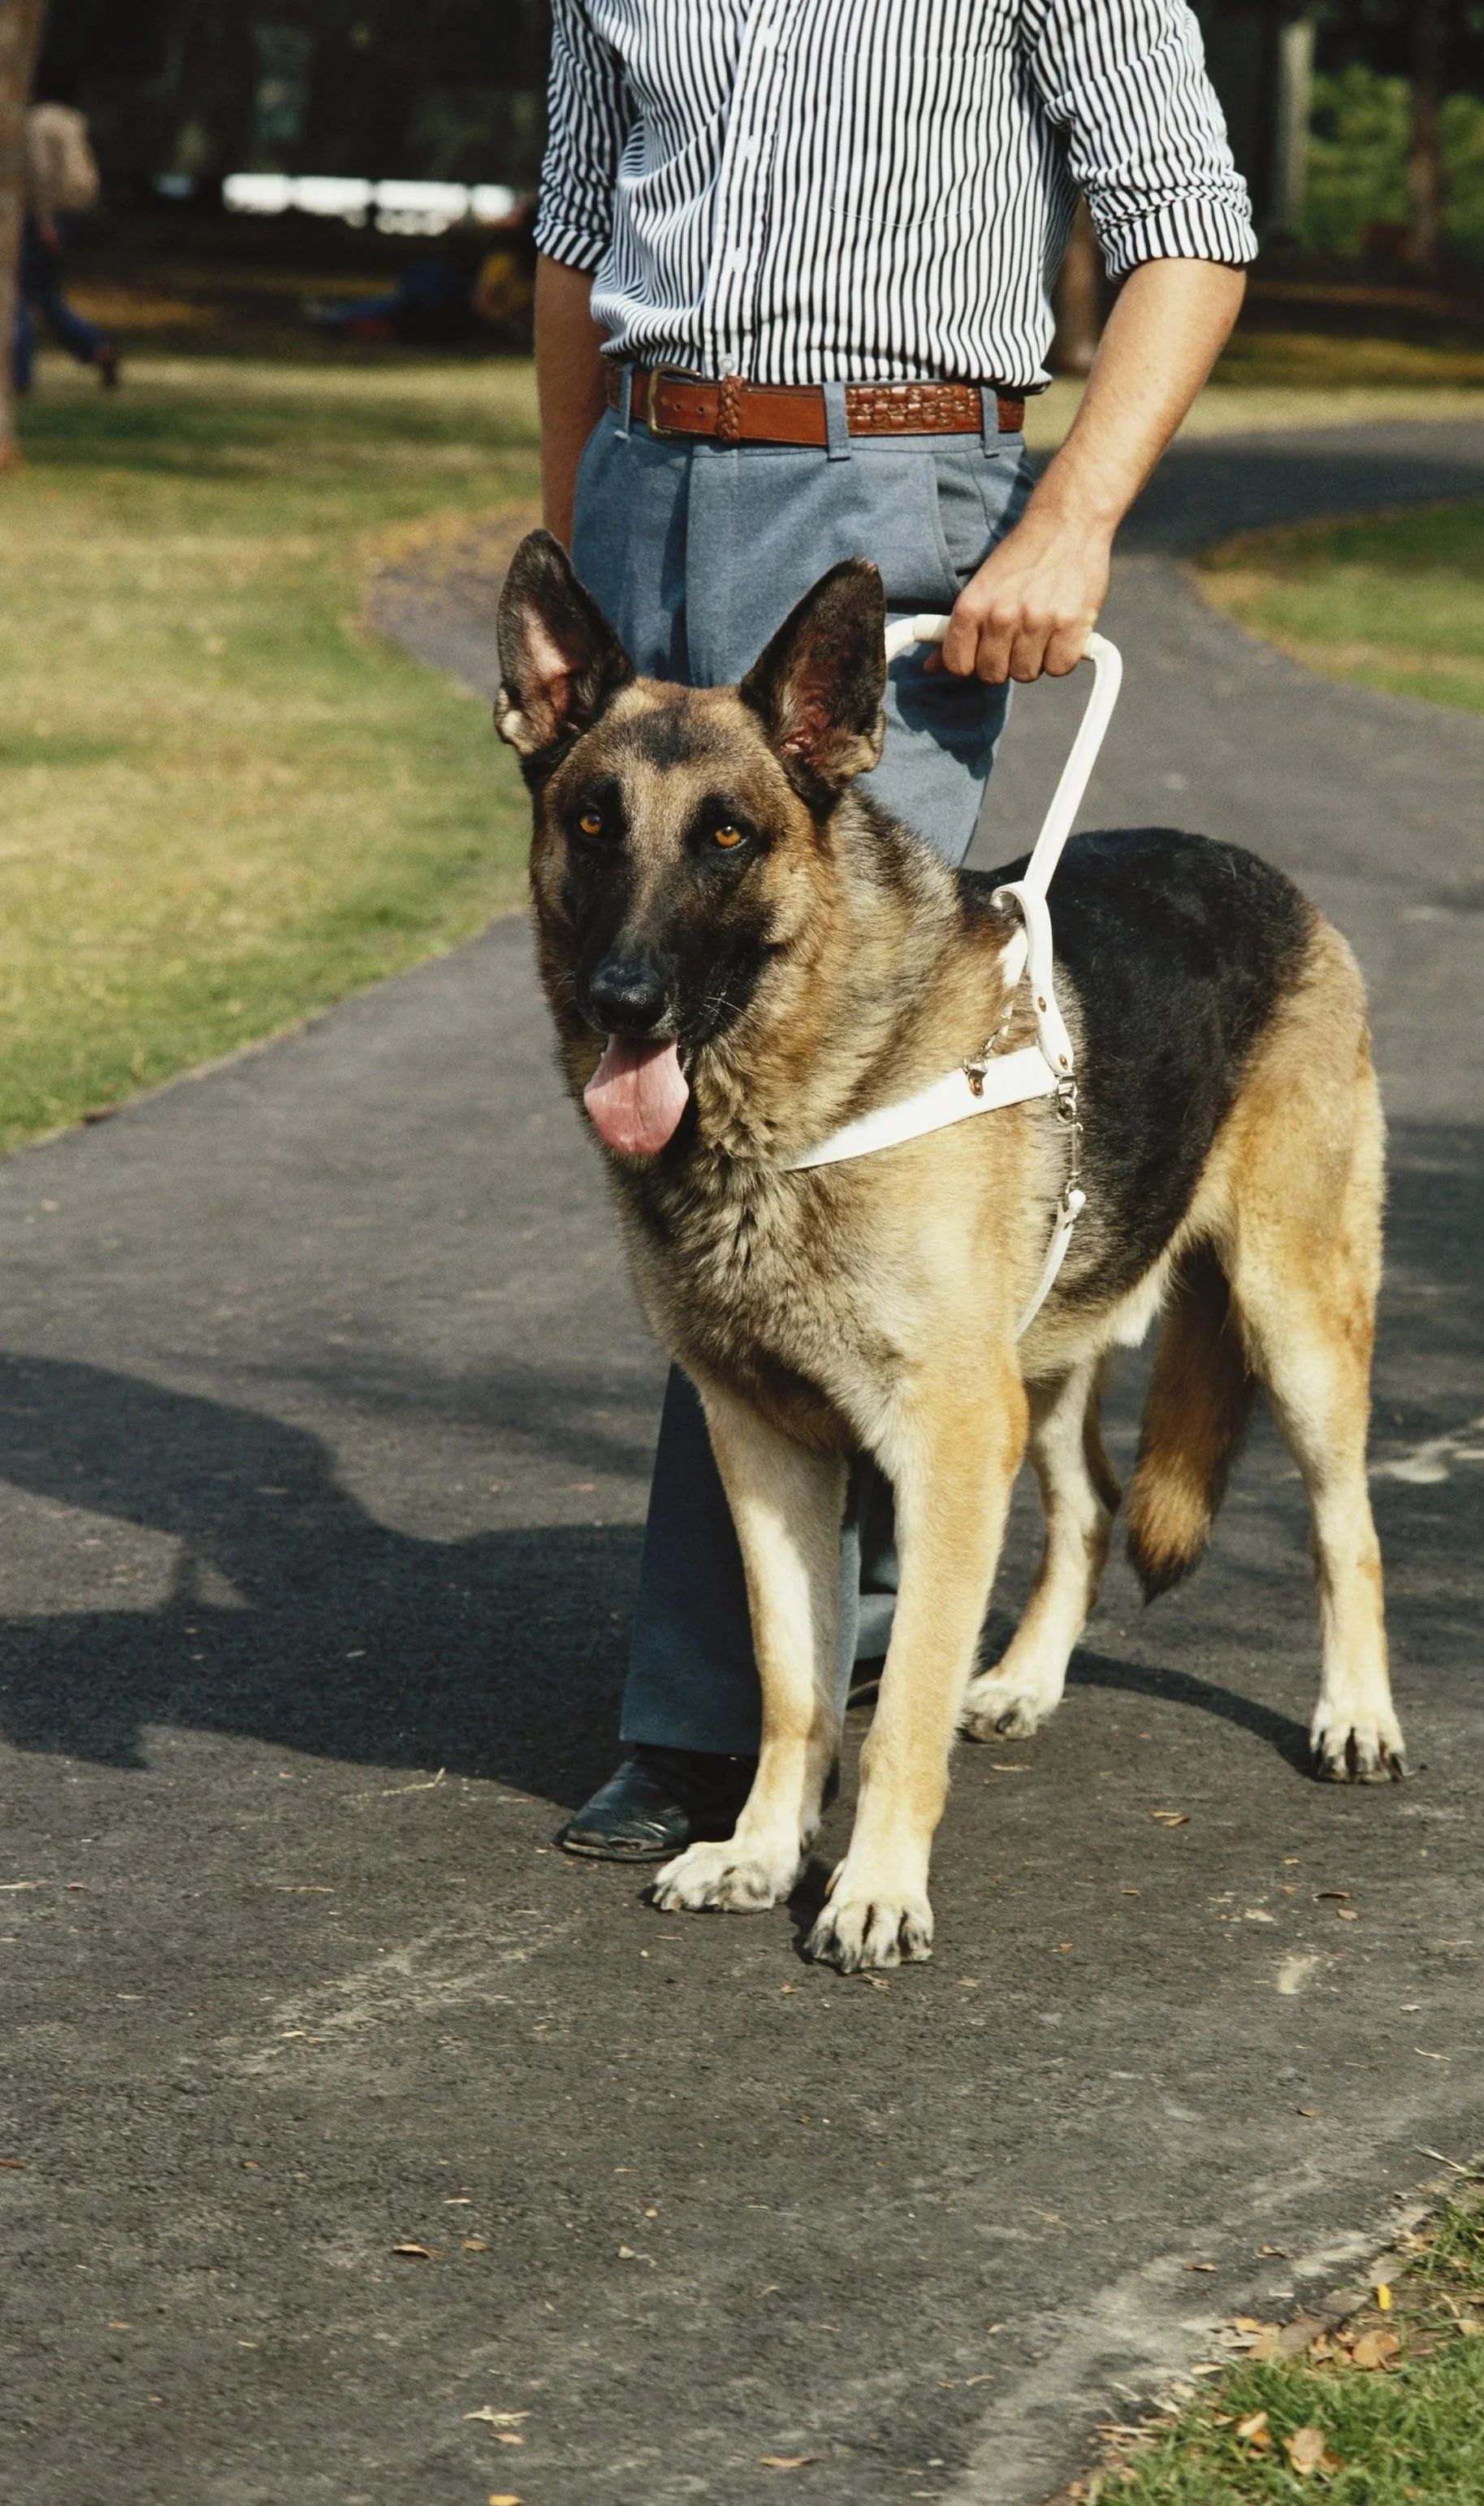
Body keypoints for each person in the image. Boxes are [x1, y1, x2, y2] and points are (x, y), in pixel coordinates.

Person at [538, 0, 1256, 1859]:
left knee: (853, 1111)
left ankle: (734, 1725)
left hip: (890, 487)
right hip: (645, 468)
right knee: (670, 1090)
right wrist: (574, 546)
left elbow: (1189, 219)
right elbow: (571, 234)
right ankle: (790, 1675)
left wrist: (1075, 515)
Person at [11, 89, 118, 396]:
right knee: (47, 297)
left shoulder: (35, 123)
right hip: (72, 212)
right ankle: (96, 348)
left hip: (45, 214)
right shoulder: (71, 120)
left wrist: (44, 218)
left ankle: (19, 376)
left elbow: (41, 172)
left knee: (19, 295)